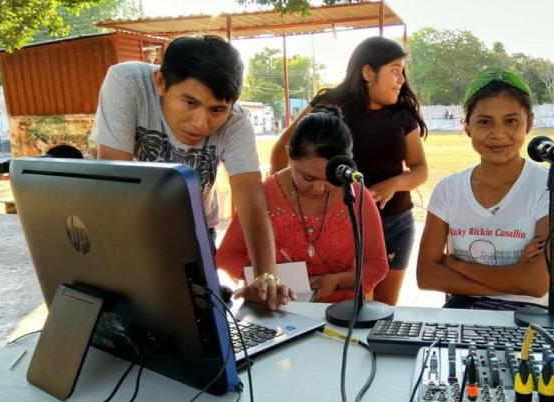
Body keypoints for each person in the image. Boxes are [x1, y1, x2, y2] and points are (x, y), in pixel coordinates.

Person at [90, 35, 293, 309]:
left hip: (194, 230)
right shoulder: (128, 84)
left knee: (199, 320)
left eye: (216, 110)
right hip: (129, 227)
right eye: (190, 103)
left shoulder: (236, 122)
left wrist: (265, 277)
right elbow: (115, 184)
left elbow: (252, 201)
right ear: (161, 83)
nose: (200, 123)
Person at [269, 36, 428, 305]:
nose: (401, 80)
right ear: (368, 72)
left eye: (402, 72)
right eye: (394, 71)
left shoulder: (402, 114)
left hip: (394, 222)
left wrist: (393, 184)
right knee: (353, 306)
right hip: (340, 224)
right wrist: (287, 195)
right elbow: (283, 147)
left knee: (385, 311)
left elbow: (420, 169)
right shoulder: (329, 104)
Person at [416, 67, 554, 309]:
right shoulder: (448, 189)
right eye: (484, 122)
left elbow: (537, 283)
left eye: (511, 121)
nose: (498, 134)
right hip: (464, 313)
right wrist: (515, 278)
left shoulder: (552, 187)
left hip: (530, 317)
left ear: (529, 124)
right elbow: (427, 276)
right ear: (467, 127)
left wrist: (457, 265)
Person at [217, 105, 389, 302]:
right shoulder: (263, 196)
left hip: (340, 315)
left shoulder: (355, 195)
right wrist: (266, 281)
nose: (318, 188)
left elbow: (377, 264)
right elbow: (227, 256)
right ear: (289, 154)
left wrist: (337, 281)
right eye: (308, 177)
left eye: (330, 179)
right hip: (280, 313)